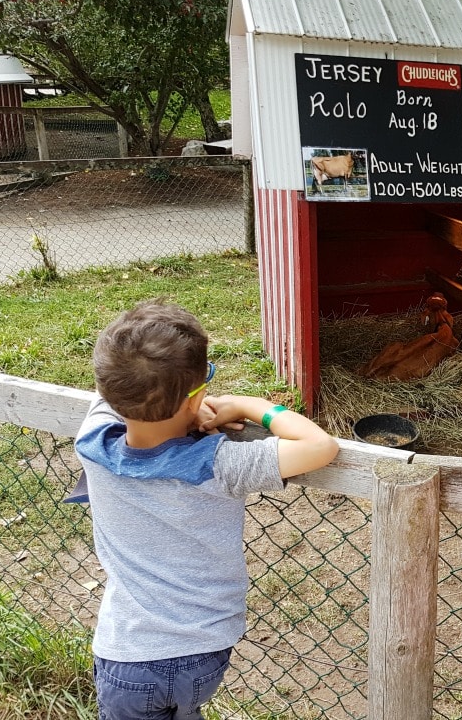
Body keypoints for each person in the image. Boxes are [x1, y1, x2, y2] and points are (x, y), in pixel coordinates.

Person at [70, 300, 340, 720]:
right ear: (197, 394)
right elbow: (321, 447)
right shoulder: (219, 464)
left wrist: (183, 411)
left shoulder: (91, 442)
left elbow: (115, 393)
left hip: (128, 658)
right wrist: (250, 405)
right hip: (205, 654)